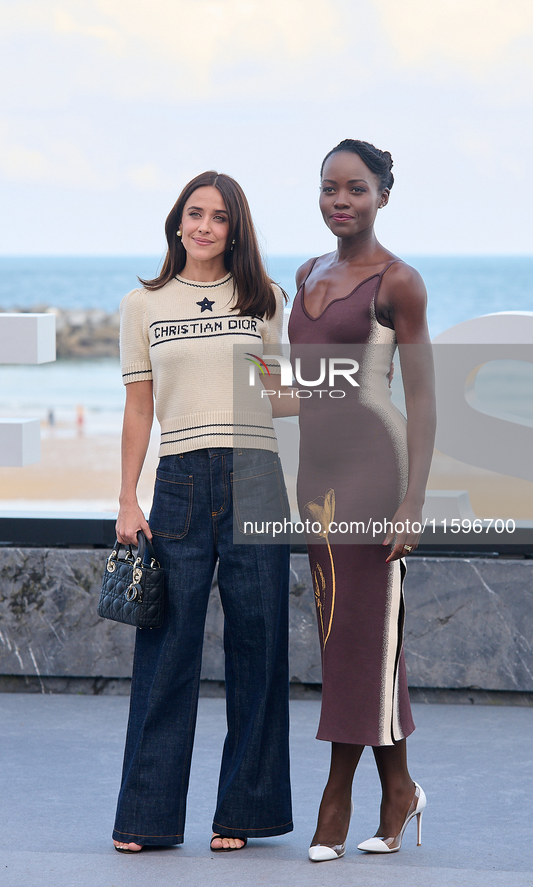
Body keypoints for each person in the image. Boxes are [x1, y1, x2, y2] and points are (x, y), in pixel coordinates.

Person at [112, 170, 293, 854]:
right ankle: (145, 818)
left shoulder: (266, 298)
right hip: (179, 481)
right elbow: (139, 407)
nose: (205, 226)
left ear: (234, 229)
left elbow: (282, 398)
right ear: (177, 221)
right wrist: (127, 495)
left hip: (256, 473)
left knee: (259, 644)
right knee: (167, 651)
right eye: (195, 213)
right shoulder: (142, 304)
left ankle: (242, 814)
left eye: (219, 217)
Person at [288, 140, 436, 860]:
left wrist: (412, 503)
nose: (339, 200)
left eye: (354, 189)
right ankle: (401, 787)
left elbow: (423, 396)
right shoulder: (305, 272)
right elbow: (304, 382)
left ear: (381, 195)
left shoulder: (398, 281)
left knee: (357, 635)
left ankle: (335, 798)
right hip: (314, 478)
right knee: (354, 634)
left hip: (376, 471)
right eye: (328, 188)